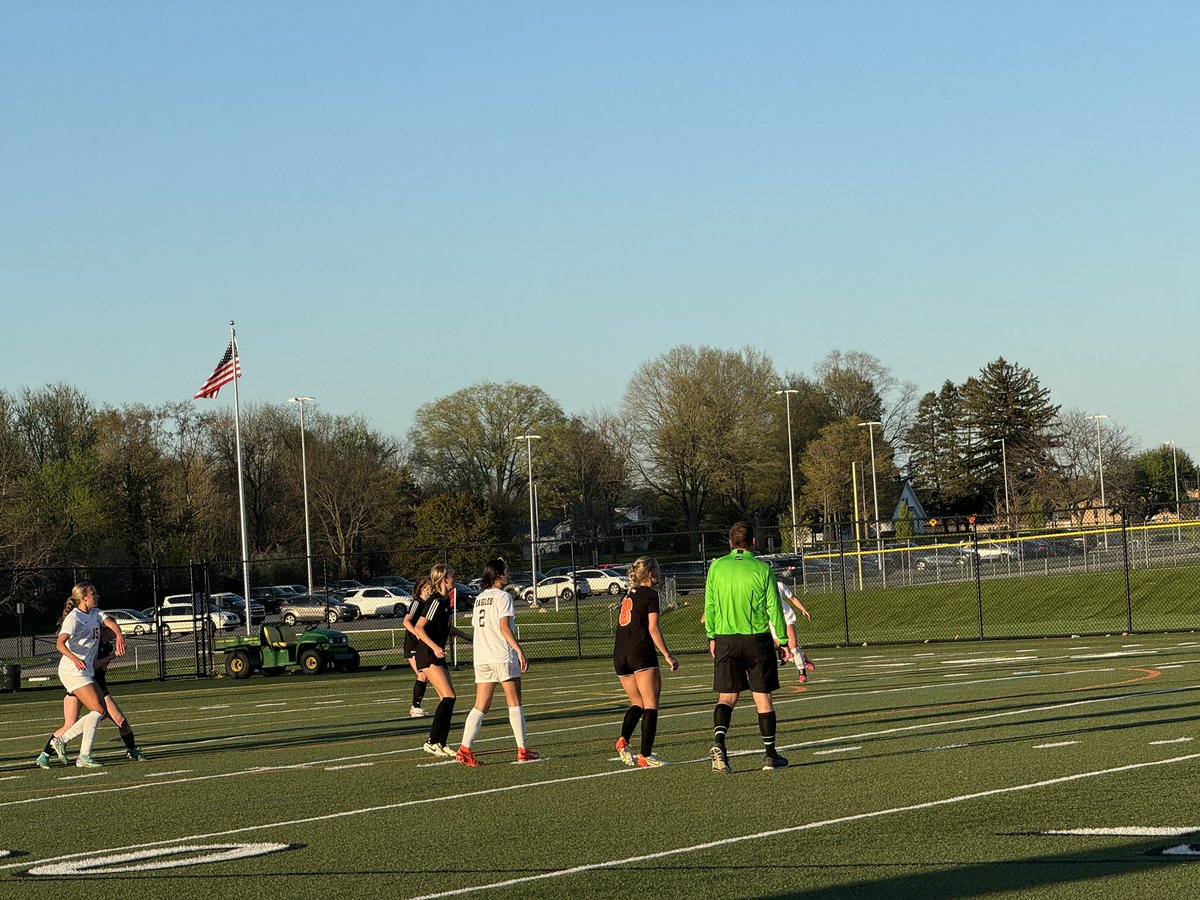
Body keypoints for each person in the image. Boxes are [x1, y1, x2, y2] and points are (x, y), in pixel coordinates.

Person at [704, 521, 792, 773]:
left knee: (727, 697)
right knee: (762, 697)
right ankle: (770, 754)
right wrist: (783, 641)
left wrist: (712, 636)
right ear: (753, 542)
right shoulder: (763, 569)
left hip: (725, 639)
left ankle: (720, 742)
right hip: (756, 639)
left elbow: (709, 604)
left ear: (730, 542)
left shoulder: (717, 567)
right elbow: (774, 608)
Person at [454, 557, 539, 766]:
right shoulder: (503, 597)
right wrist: (519, 650)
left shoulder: (480, 598)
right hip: (501, 655)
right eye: (506, 570)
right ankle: (522, 749)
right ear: (499, 575)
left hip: (482, 656)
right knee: (514, 703)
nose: (508, 573)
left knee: (480, 705)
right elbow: (503, 627)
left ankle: (465, 748)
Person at [35, 583, 127, 769]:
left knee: (97, 713)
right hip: (72, 670)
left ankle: (63, 747)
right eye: (94, 593)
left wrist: (118, 635)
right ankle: (81, 754)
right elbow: (60, 644)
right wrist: (75, 658)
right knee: (99, 710)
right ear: (84, 598)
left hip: (85, 671)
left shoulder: (94, 613)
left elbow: (110, 622)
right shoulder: (74, 617)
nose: (97, 596)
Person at [37, 623, 147, 768]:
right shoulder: (94, 644)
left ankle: (132, 750)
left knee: (120, 722)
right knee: (78, 721)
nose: (116, 630)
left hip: (95, 685)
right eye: (112, 627)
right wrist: (112, 656)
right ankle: (46, 755)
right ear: (103, 629)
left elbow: (101, 668)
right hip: (84, 684)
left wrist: (111, 655)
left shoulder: (106, 646)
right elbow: (93, 665)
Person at [613, 557, 679, 768]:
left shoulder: (628, 595)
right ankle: (645, 755)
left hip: (620, 654)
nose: (659, 572)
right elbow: (653, 628)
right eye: (657, 569)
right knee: (650, 704)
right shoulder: (651, 595)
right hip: (640, 652)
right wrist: (667, 655)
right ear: (650, 573)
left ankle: (623, 739)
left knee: (637, 704)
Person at [412, 563, 472, 757]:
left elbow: (447, 629)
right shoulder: (435, 601)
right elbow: (420, 628)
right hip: (427, 655)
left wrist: (466, 636)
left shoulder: (445, 602)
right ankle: (431, 741)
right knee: (449, 696)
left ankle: (442, 743)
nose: (455, 578)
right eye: (452, 575)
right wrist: (435, 647)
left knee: (446, 699)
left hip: (435, 654)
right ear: (444, 579)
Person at [401, 576, 434, 717]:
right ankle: (415, 707)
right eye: (429, 586)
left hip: (421, 644)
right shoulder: (417, 603)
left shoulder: (429, 604)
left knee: (425, 675)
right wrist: (417, 634)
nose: (432, 588)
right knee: (422, 674)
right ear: (422, 588)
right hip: (412, 644)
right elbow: (406, 621)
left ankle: (416, 706)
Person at [775, 580, 816, 684]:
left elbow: (792, 597)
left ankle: (802, 673)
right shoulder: (759, 588)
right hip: (772, 621)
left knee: (793, 646)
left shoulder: (779, 585)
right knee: (785, 654)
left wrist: (803, 609)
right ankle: (803, 658)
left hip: (785, 617)